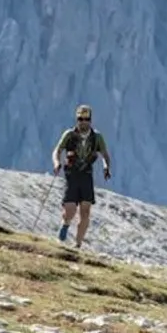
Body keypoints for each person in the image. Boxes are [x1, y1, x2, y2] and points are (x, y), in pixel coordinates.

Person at [51, 104, 111, 247]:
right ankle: (65, 224)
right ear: (77, 119)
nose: (83, 121)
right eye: (80, 118)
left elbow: (105, 155)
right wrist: (56, 163)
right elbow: (57, 150)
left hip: (86, 175)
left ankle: (77, 245)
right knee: (70, 211)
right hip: (72, 174)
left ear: (90, 120)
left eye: (86, 119)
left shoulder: (97, 137)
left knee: (85, 212)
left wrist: (106, 167)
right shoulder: (69, 135)